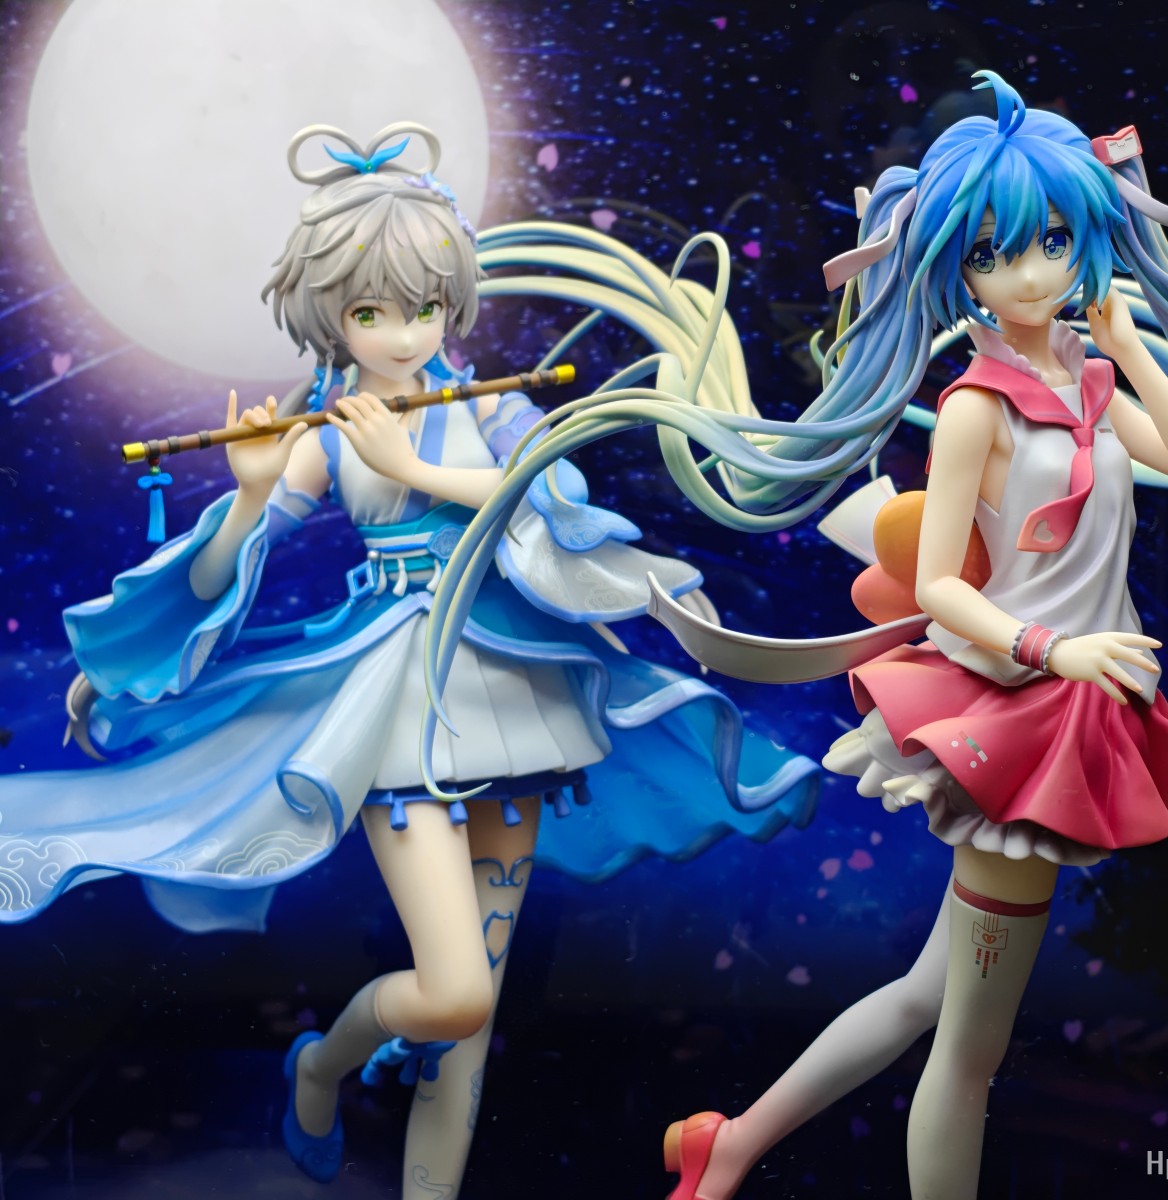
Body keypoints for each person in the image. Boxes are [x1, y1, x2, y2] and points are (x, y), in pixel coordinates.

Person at [430, 71, 1168, 1200]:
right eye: (995, 254)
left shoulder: (1087, 377)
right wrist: (1054, 650)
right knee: (968, 1049)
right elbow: (942, 589)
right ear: (956, 268)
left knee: (932, 997)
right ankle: (739, 1148)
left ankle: (729, 1144)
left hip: (1073, 708)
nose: (1031, 274)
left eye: (1053, 242)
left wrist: (1132, 349)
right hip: (1020, 720)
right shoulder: (975, 406)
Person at [0, 121, 817, 1198]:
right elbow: (220, 571)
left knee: (470, 1020)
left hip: (518, 696)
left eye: (424, 306)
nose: (402, 333)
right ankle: (322, 1065)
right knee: (454, 993)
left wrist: (424, 472)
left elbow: (548, 509)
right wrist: (250, 496)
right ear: (329, 314)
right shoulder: (323, 432)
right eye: (370, 312)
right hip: (394, 705)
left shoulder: (498, 406)